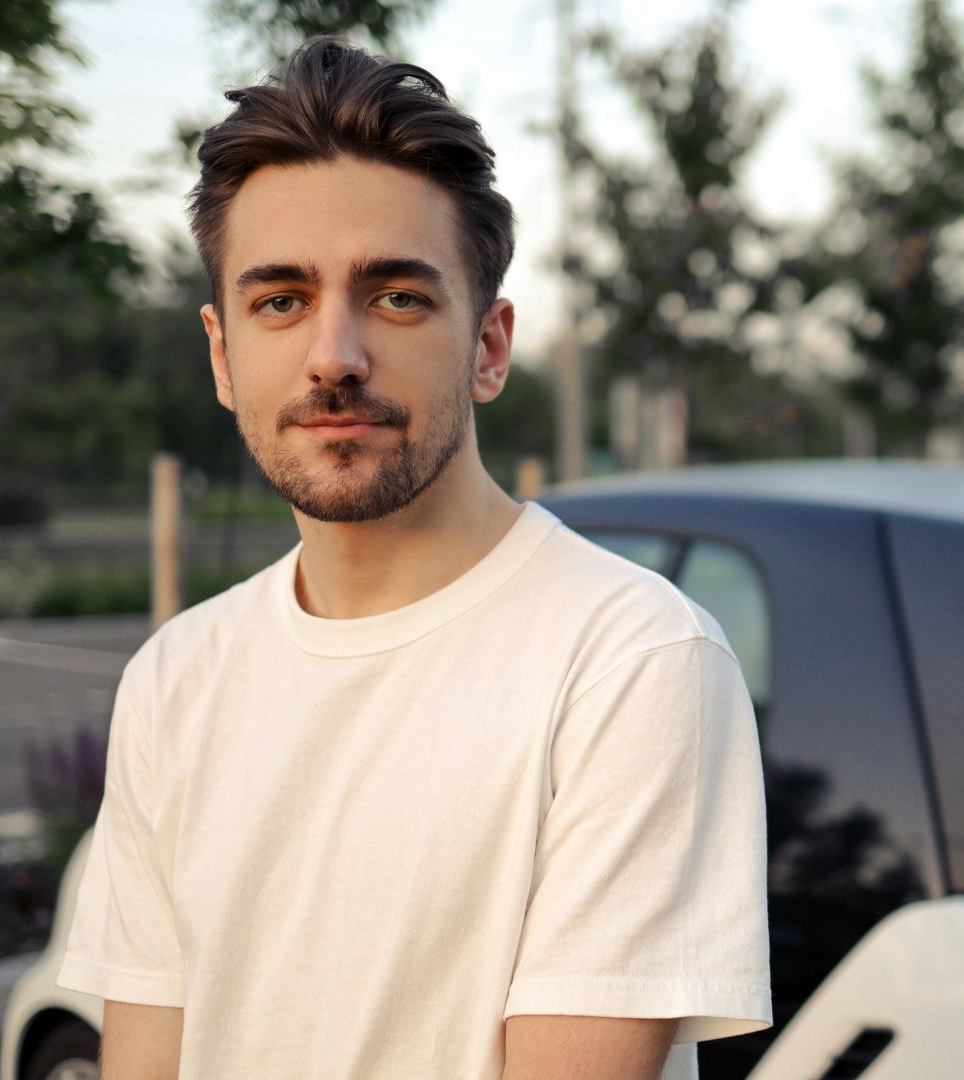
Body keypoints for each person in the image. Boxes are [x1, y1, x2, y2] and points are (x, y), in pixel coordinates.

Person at [56, 37, 770, 1080]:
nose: (334, 357)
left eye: (396, 297)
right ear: (221, 354)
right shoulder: (175, 679)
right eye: (280, 300)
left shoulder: (630, 661)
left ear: (489, 347)